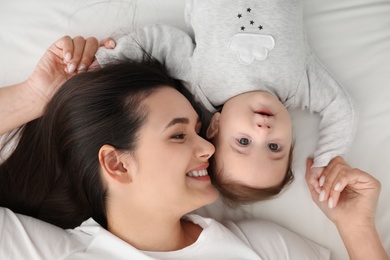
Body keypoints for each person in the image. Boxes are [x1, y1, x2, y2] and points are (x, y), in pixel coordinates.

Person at [0, 36, 387, 260]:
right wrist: (34, 97)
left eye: (201, 132)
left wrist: (356, 229)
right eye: (179, 135)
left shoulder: (263, 246)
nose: (208, 148)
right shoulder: (57, 253)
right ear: (117, 164)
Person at [95, 0, 358, 206]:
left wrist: (105, 61)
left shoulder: (201, 83)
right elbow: (341, 108)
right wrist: (325, 161)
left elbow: (156, 42)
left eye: (243, 142)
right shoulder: (302, 84)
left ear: (216, 127)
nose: (263, 131)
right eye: (275, 146)